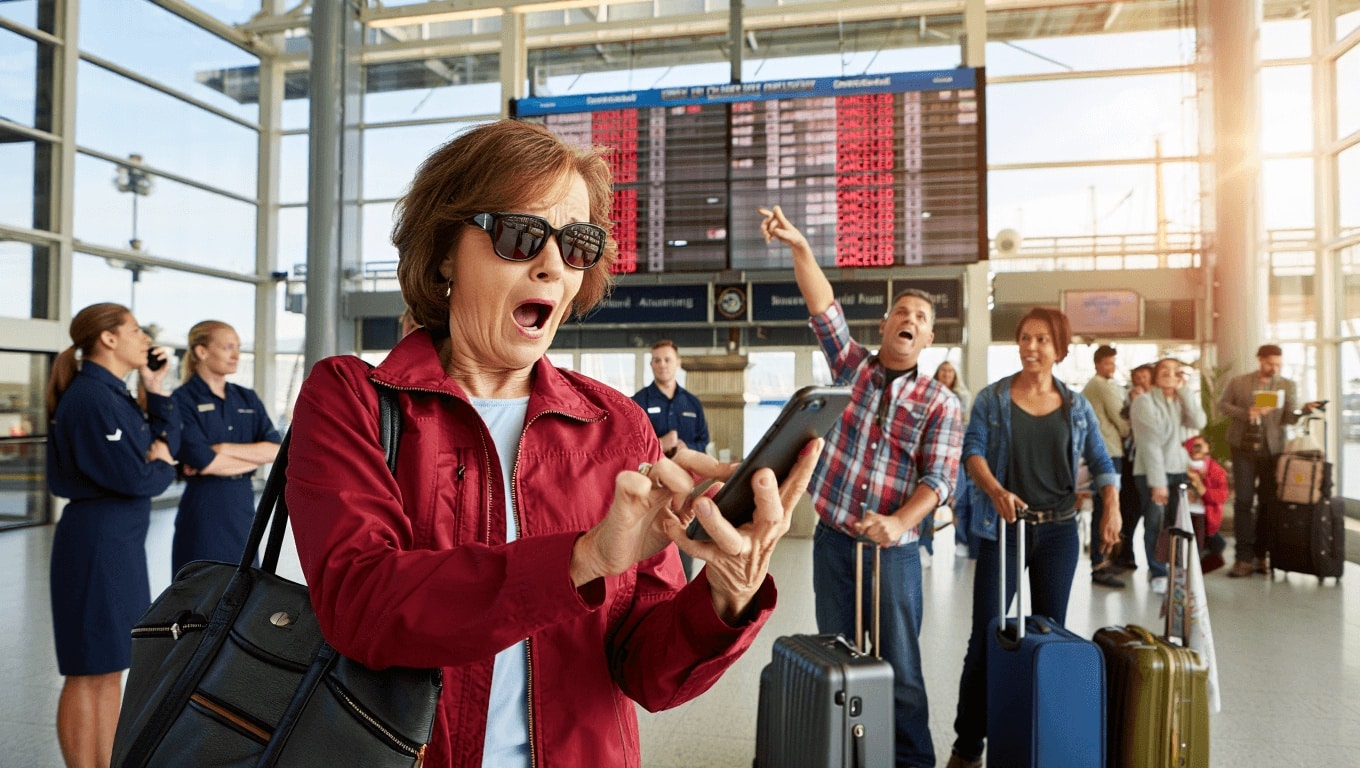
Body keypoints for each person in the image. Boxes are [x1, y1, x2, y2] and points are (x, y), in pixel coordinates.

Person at [283, 120, 823, 768]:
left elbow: (646, 675)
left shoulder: (617, 426)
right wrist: (585, 557)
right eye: (518, 235)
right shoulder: (352, 400)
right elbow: (360, 604)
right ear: (446, 251)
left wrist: (725, 594)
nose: (550, 263)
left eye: (576, 244)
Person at [761, 204, 963, 768]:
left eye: (921, 317)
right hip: (833, 544)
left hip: (892, 555)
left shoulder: (940, 403)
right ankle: (850, 756)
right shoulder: (851, 366)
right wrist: (800, 246)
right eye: (902, 310)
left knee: (899, 667)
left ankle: (913, 762)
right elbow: (822, 306)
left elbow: (939, 479)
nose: (911, 318)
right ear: (884, 326)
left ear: (928, 338)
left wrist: (900, 522)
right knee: (838, 659)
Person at [945, 307, 1120, 768]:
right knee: (986, 636)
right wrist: (997, 490)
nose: (1031, 347)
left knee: (1048, 634)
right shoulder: (993, 398)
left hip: (1059, 529)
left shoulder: (1077, 405)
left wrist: (1113, 507)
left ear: (1059, 349)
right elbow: (973, 452)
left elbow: (1102, 462)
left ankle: (1036, 742)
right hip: (1004, 528)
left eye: (1042, 340)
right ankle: (967, 749)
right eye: (1025, 338)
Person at [44, 302, 179, 768]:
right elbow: (136, 478)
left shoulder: (115, 395)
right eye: (136, 330)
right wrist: (161, 464)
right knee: (87, 671)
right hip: (96, 542)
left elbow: (164, 440)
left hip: (119, 542)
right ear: (108, 339)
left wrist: (156, 388)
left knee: (110, 667)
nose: (145, 339)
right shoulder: (91, 399)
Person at [170, 320, 282, 575]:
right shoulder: (182, 400)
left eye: (238, 347)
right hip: (204, 506)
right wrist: (252, 457)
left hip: (242, 504)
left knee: (244, 588)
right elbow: (204, 461)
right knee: (199, 592)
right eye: (228, 347)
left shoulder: (246, 398)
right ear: (201, 351)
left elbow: (276, 451)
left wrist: (220, 447)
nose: (236, 355)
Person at [1217, 344, 1322, 577]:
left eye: (1278, 364)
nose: (1274, 368)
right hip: (1243, 447)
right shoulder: (1239, 382)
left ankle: (1260, 555)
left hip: (1272, 450)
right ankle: (1243, 558)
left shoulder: (1287, 385)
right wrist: (1247, 413)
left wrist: (1304, 410)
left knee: (1267, 502)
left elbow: (1289, 418)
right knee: (1243, 502)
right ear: (1259, 360)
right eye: (1269, 364)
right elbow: (1222, 406)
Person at [1130, 357, 1206, 594]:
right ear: (1154, 374)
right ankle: (1158, 571)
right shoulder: (1144, 402)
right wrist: (1158, 483)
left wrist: (1185, 390)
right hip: (1152, 474)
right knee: (1155, 522)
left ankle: (1176, 569)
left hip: (1177, 470)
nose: (1170, 374)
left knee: (1176, 522)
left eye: (1175, 371)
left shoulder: (1178, 401)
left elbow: (1199, 421)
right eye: (1164, 370)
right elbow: (1150, 444)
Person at [1082, 344, 1131, 588]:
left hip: (1102, 450)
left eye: (1113, 363)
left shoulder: (1096, 386)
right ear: (1097, 364)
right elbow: (1121, 419)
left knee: (1103, 508)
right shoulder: (1101, 386)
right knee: (1105, 509)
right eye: (1107, 363)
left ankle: (1103, 560)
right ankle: (1099, 564)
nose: (1111, 368)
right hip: (1108, 451)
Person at [631, 339, 710, 456]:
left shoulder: (693, 403)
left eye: (667, 360)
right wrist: (660, 444)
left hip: (687, 470)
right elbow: (629, 446)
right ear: (651, 364)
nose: (662, 365)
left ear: (678, 363)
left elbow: (704, 442)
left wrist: (686, 447)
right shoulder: (637, 403)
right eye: (657, 360)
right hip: (651, 472)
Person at [1113, 361, 1155, 571]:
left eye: (1144, 376)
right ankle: (1124, 552)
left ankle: (1156, 560)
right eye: (1137, 377)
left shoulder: (1158, 400)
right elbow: (1124, 424)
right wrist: (1132, 403)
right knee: (1130, 507)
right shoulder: (1127, 398)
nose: (1140, 381)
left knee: (1150, 509)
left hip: (1153, 462)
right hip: (1132, 459)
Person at [931, 361, 972, 561]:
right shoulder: (928, 394)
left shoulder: (962, 398)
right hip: (932, 451)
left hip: (956, 453)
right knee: (928, 502)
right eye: (943, 371)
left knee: (961, 499)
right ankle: (924, 546)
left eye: (950, 371)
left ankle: (962, 541)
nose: (946, 374)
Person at [1184, 435, 1229, 573]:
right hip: (1183, 514)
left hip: (1204, 517)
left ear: (1208, 448)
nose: (1196, 448)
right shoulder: (1181, 466)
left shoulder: (1215, 470)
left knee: (1213, 547)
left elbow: (1222, 496)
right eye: (1193, 445)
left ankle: (1194, 575)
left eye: (1200, 445)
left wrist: (1202, 490)